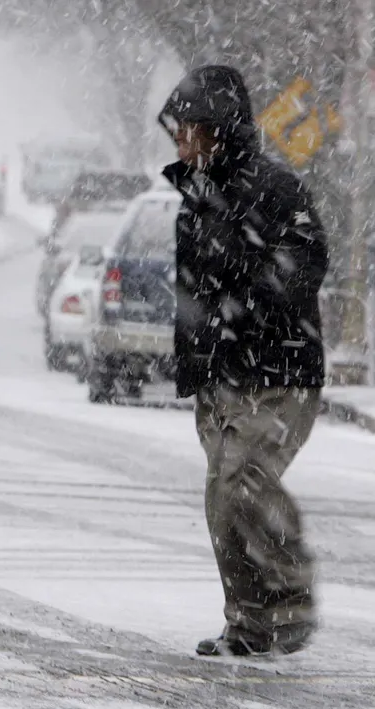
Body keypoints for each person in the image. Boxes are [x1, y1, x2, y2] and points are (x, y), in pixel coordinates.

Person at [158, 65, 329, 657]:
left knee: (244, 484)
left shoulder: (275, 190)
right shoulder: (195, 203)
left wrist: (252, 297)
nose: (180, 142)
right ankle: (250, 625)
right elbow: (191, 296)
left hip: (278, 372)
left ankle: (291, 597)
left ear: (218, 129)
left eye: (189, 130)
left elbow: (307, 261)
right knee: (223, 503)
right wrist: (192, 366)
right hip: (222, 379)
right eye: (176, 131)